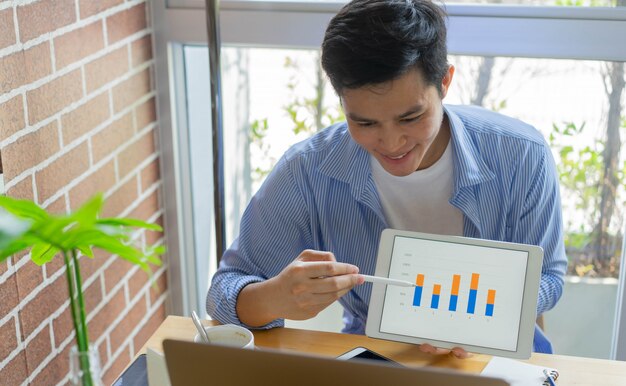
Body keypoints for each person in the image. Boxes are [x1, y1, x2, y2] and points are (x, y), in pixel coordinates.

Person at [207, 0, 567, 356]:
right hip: (375, 358)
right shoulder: (308, 171)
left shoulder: (520, 154)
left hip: (497, 358)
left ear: (444, 81)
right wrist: (275, 298)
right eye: (364, 123)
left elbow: (549, 278)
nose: (392, 143)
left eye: (411, 118)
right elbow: (224, 290)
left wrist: (473, 319)